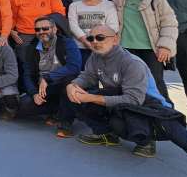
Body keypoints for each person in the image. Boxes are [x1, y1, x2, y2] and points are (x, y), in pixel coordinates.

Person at [64, 25, 176, 158]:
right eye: (91, 38)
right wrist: (72, 85)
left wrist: (91, 98)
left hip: (147, 105)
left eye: (101, 38)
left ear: (115, 39)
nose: (95, 41)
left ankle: (146, 141)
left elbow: (134, 100)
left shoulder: (132, 63)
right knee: (74, 94)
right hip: (119, 95)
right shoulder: (96, 56)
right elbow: (88, 76)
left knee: (118, 122)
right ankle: (106, 134)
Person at [113, 0, 178, 102]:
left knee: (155, 83)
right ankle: (137, 115)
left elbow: (169, 23)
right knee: (128, 83)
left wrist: (165, 46)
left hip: (151, 49)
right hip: (126, 49)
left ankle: (166, 115)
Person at [19, 16, 82, 136]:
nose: (41, 32)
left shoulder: (67, 43)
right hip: (44, 89)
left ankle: (65, 123)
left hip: (63, 83)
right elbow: (27, 74)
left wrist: (48, 78)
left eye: (45, 28)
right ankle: (56, 109)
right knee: (23, 107)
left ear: (54, 29)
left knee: (69, 82)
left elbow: (75, 67)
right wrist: (34, 93)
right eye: (38, 30)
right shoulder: (32, 48)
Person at [11, 0, 65, 87]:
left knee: (47, 63)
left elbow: (59, 14)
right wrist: (12, 31)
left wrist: (53, 30)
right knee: (27, 64)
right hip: (24, 36)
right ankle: (29, 90)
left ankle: (48, 88)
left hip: (46, 34)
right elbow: (12, 17)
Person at [68, 0, 119, 67]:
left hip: (103, 45)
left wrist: (98, 41)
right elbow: (73, 26)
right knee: (84, 75)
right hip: (81, 47)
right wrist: (87, 42)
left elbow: (113, 26)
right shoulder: (74, 6)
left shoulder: (108, 5)